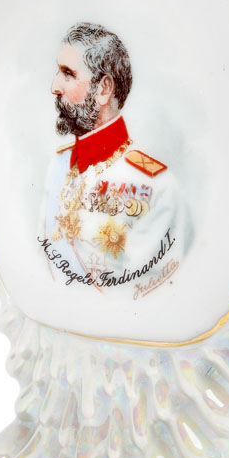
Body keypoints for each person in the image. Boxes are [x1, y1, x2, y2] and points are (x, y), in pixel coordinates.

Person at [38, 22, 189, 298]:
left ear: (103, 89)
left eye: (68, 74)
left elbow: (146, 295)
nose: (54, 87)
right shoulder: (58, 165)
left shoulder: (156, 186)